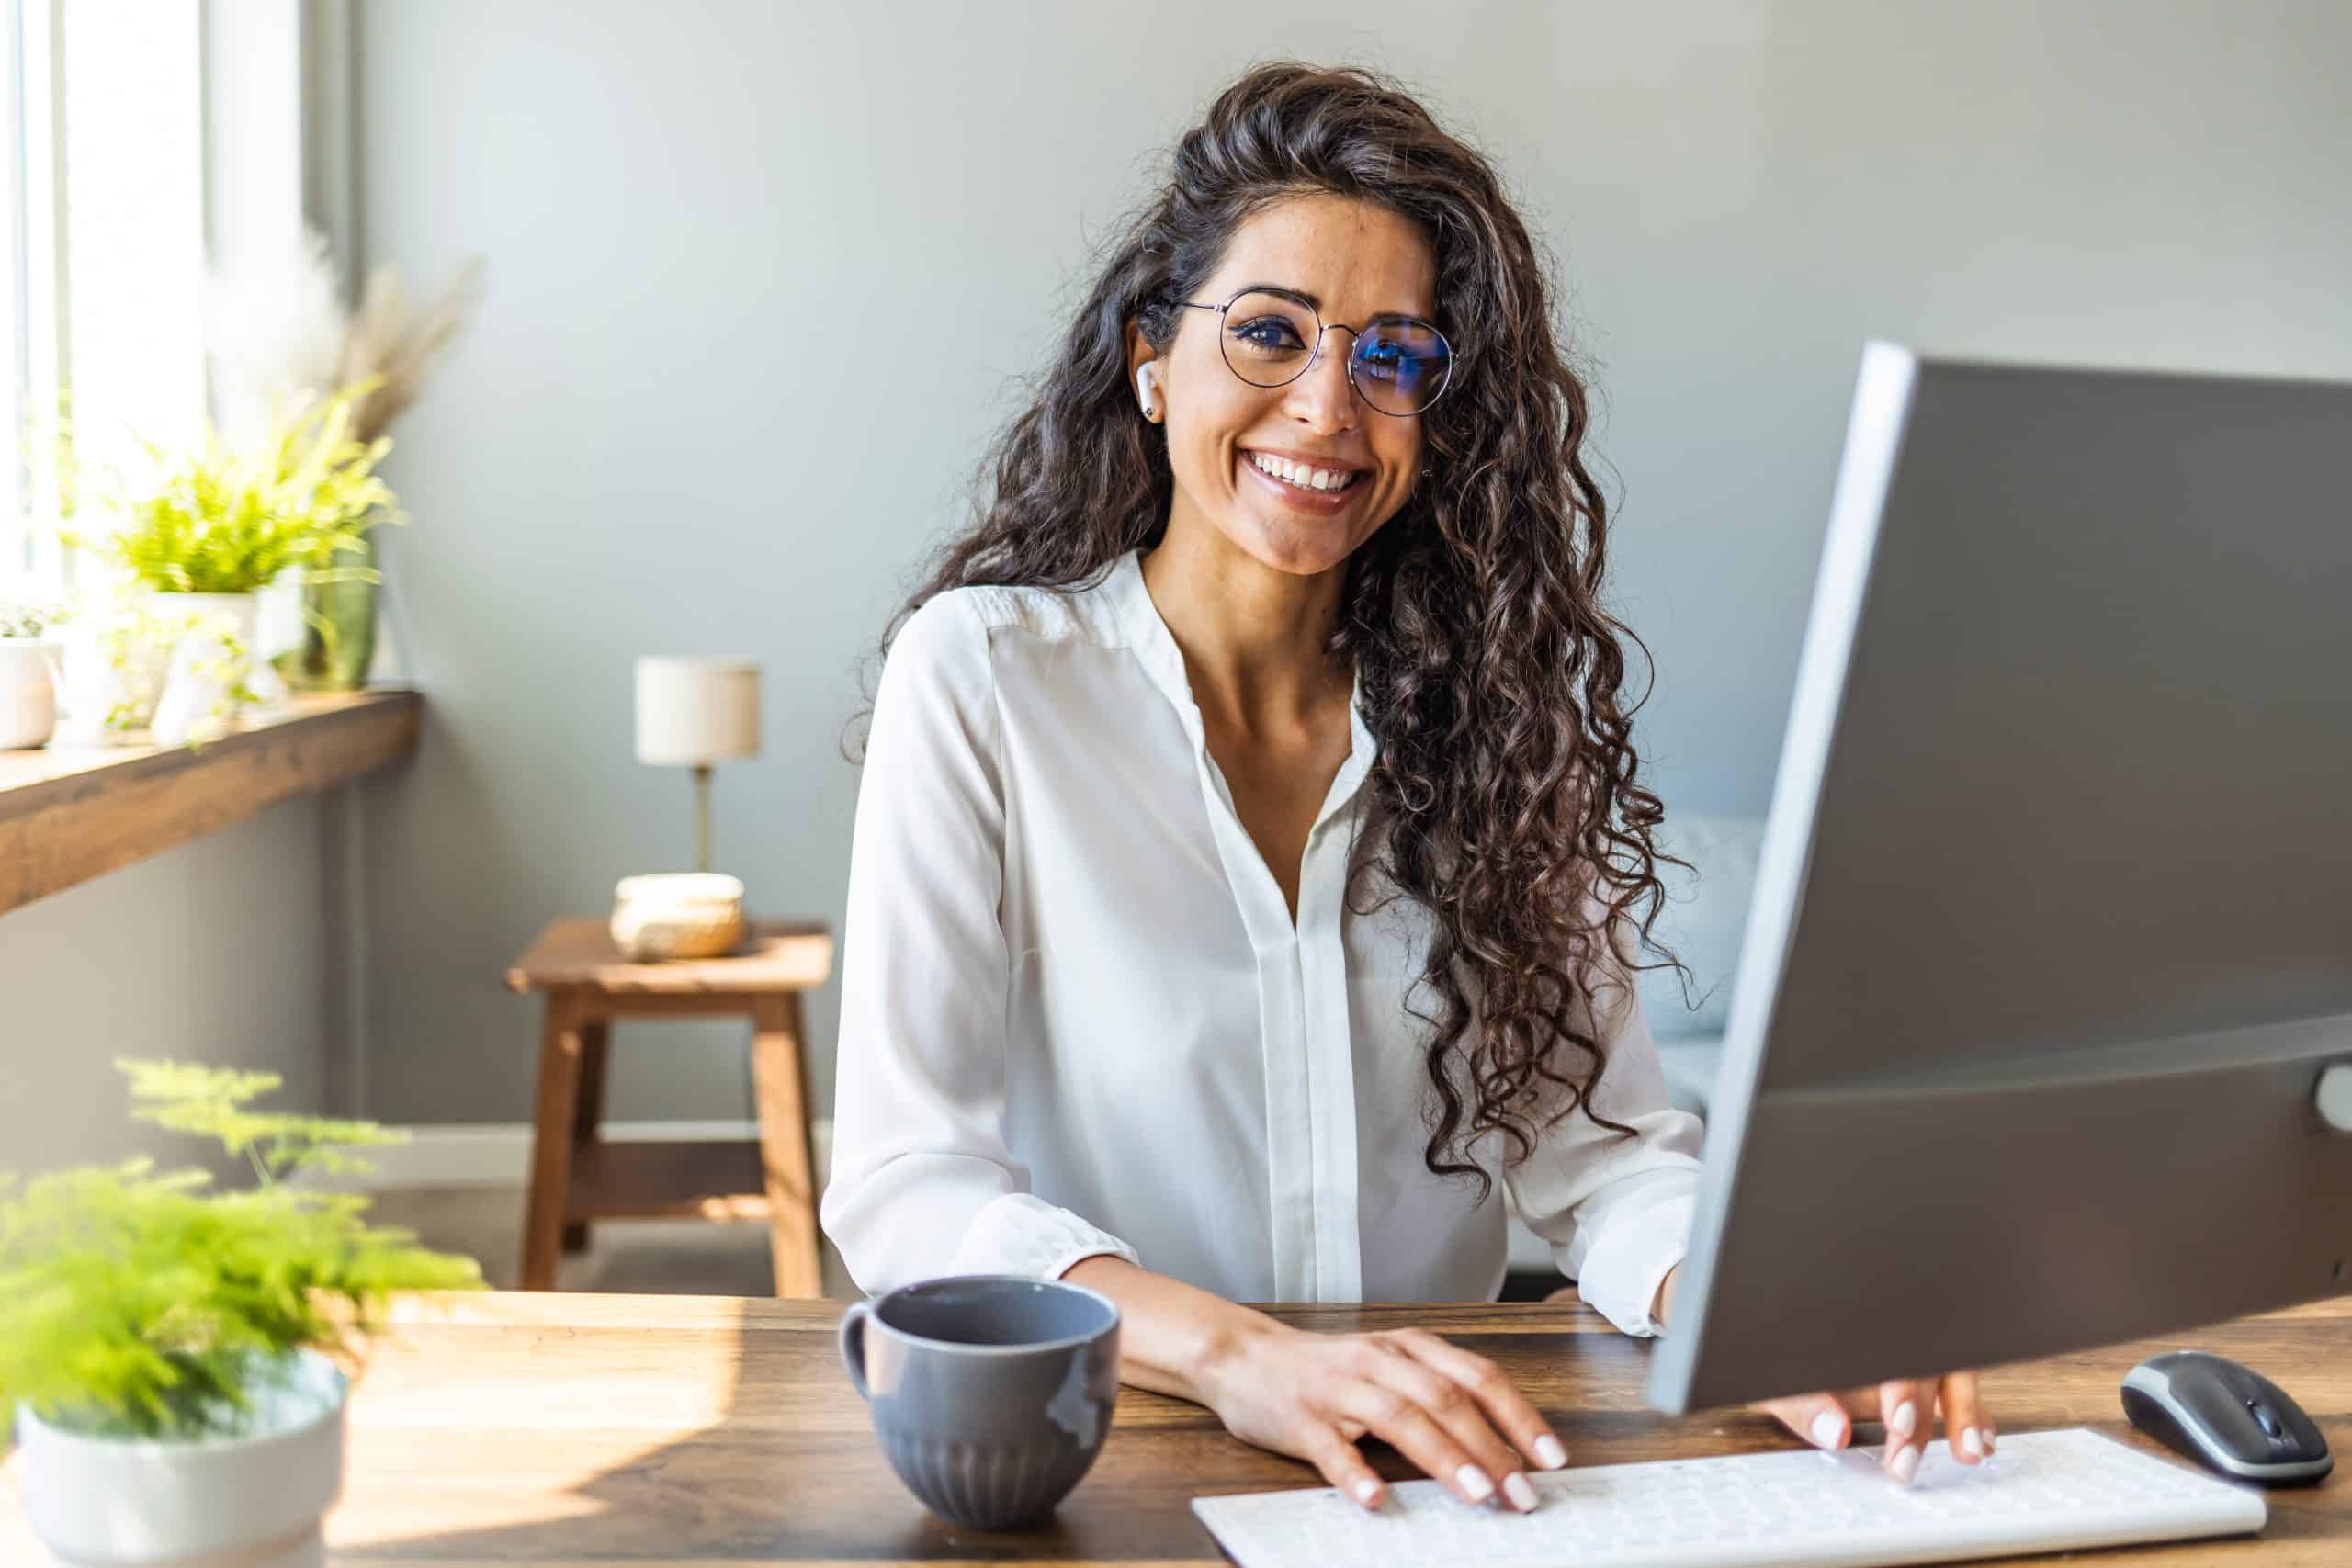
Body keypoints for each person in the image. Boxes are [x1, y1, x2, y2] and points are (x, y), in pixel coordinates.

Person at [820, 61, 1991, 1515]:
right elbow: (906, 1179)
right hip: (1116, 1452)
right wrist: (1245, 1358)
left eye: (1393, 357)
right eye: (1269, 335)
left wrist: (1759, 1309)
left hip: (1447, 1470)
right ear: (1149, 362)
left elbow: (1607, 1161)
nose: (1326, 409)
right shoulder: (988, 678)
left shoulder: (1495, 721)